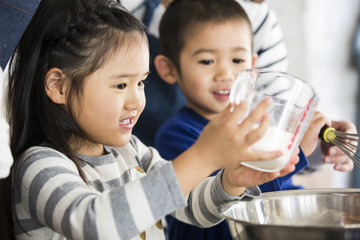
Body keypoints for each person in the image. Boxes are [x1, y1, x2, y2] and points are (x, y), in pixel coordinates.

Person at [0, 0, 300, 239]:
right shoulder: (41, 165)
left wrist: (230, 182)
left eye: (141, 83)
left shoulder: (131, 151)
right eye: (121, 85)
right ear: (59, 86)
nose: (136, 101)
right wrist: (203, 156)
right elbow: (96, 224)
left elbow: (191, 206)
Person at [153, 0, 355, 239]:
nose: (226, 74)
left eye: (238, 60)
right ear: (169, 69)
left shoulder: (260, 121)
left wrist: (322, 148)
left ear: (254, 66)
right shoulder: (176, 135)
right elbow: (232, 207)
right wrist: (296, 150)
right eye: (207, 61)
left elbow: (286, 169)